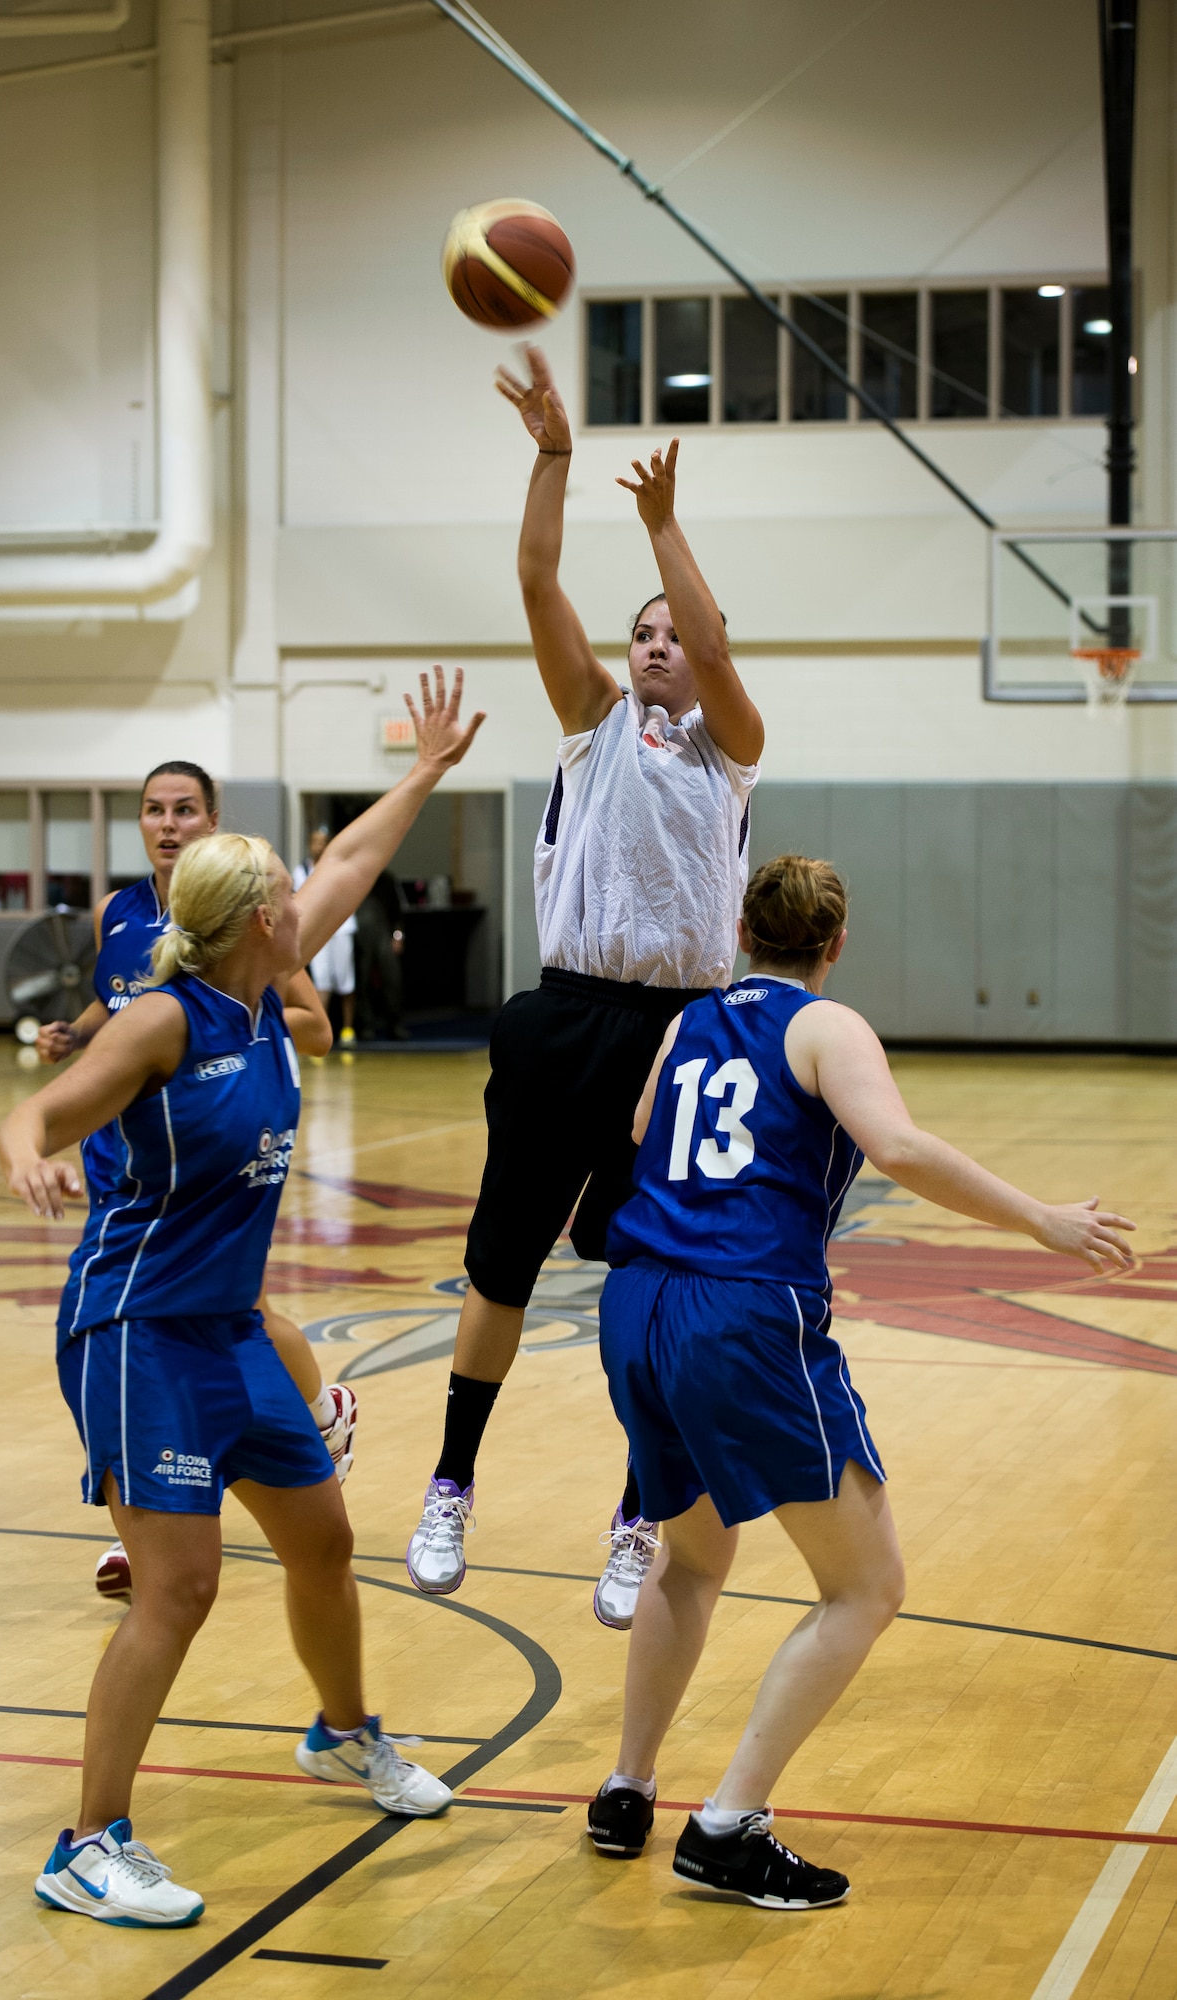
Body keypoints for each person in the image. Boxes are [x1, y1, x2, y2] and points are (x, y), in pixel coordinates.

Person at [0, 670, 484, 1927]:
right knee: (181, 1585)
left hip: (225, 1329)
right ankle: (87, 1839)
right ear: (250, 919)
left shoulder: (268, 986)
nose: (300, 899)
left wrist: (425, 770)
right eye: (283, 892)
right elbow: (48, 1104)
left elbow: (354, 859)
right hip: (134, 1327)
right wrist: (28, 1143)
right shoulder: (163, 1020)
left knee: (319, 1540)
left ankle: (340, 1733)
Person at [585, 855, 1135, 1906]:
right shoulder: (825, 1027)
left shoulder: (687, 1022)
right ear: (834, 943)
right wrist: (1039, 1219)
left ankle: (626, 1783)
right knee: (866, 1585)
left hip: (636, 1300)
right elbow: (895, 1143)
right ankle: (729, 1822)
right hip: (739, 1311)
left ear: (742, 932)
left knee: (691, 1555)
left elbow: (644, 1128)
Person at [406, 345, 764, 1629]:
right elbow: (535, 576)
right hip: (563, 1013)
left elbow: (716, 641)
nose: (663, 643)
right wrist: (554, 458)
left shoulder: (732, 751)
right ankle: (451, 1481)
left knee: (644, 1281)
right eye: (645, 633)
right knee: (498, 1268)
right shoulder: (591, 721)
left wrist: (665, 527)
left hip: (676, 1036)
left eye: (675, 633)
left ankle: (633, 1513)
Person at [35, 764, 356, 1609]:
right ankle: (148, 1524)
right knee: (170, 1321)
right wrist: (81, 1036)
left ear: (211, 822)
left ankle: (320, 1408)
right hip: (124, 1159)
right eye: (154, 810)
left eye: (185, 811)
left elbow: (312, 1024)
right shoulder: (120, 915)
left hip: (199, 1143)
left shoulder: (249, 938)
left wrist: (231, 1030)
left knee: (227, 1311)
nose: (168, 824)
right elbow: (124, 1006)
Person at [293, 827, 358, 1046]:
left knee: (345, 980)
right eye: (316, 841)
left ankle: (348, 1029)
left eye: (323, 842)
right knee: (321, 980)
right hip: (318, 931)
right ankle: (323, 1032)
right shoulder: (301, 870)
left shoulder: (338, 868)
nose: (319, 846)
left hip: (341, 929)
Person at [354, 868, 407, 1040]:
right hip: (361, 933)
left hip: (384, 931)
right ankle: (366, 1025)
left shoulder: (387, 879)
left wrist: (398, 935)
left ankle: (394, 1023)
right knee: (362, 979)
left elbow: (397, 911)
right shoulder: (356, 877)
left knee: (392, 977)